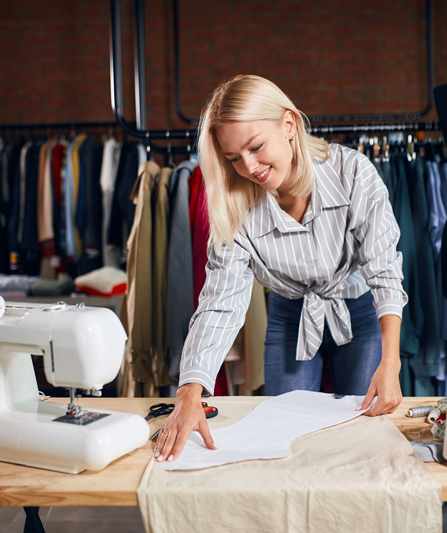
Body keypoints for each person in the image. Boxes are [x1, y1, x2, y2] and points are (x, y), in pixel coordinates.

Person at [154, 75, 407, 463]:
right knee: (285, 441)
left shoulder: (353, 173)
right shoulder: (235, 205)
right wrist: (189, 392)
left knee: (361, 439)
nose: (249, 167)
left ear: (289, 125)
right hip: (290, 316)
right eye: (234, 158)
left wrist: (391, 362)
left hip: (359, 314)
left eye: (255, 147)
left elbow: (384, 268)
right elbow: (221, 302)